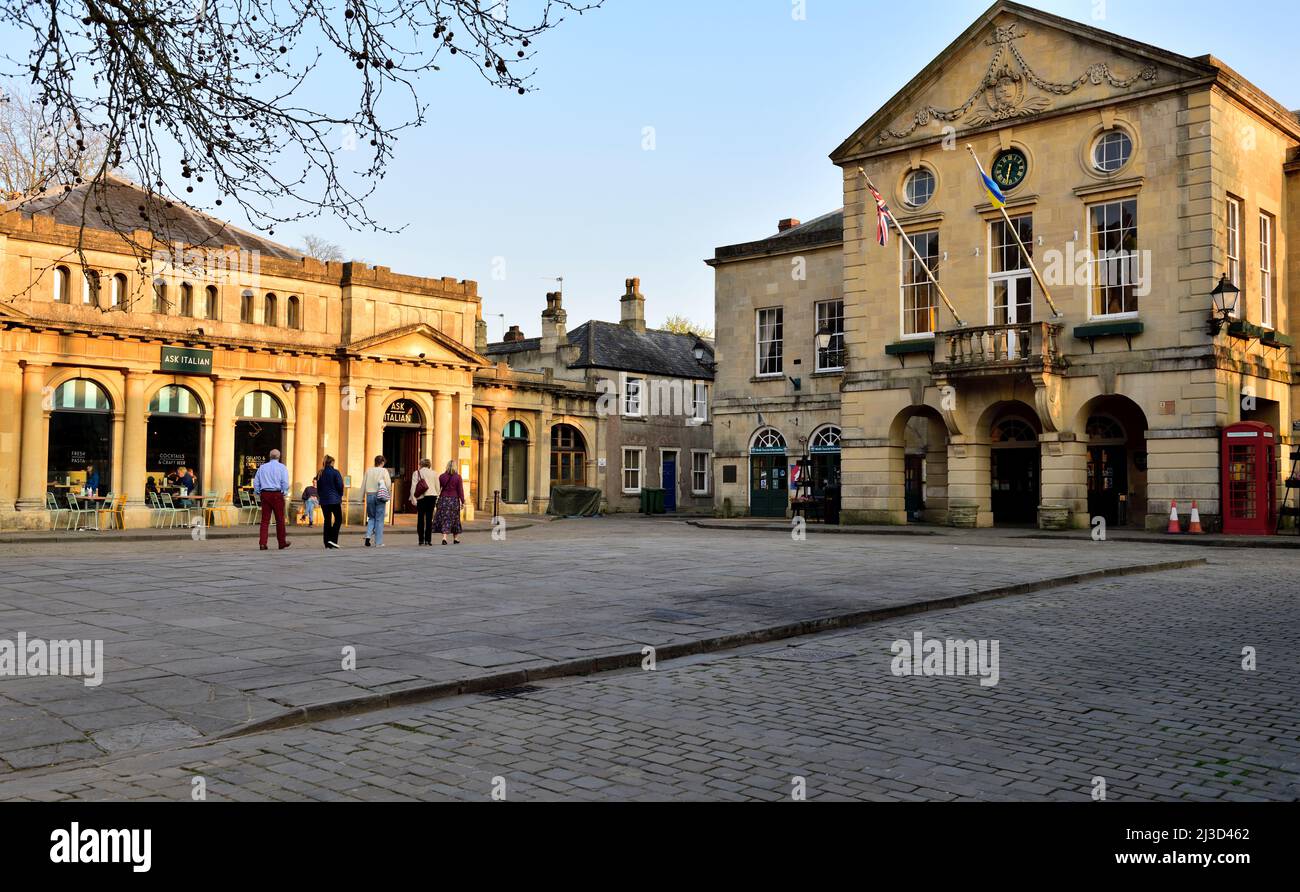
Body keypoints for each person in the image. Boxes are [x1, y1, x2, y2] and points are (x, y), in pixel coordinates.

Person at [252, 449, 291, 551]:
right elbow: (285, 482)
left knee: (265, 520)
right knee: (280, 520)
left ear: (269, 456)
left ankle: (263, 543)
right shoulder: (282, 467)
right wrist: (284, 491)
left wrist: (258, 492)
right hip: (277, 494)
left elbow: (256, 482)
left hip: (265, 493)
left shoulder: (262, 467)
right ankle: (281, 542)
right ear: (279, 456)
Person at [362, 454, 392, 548]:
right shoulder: (384, 471)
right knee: (379, 519)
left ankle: (368, 536)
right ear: (382, 462)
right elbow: (388, 484)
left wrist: (360, 497)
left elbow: (363, 483)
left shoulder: (368, 470)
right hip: (380, 495)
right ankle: (378, 542)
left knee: (371, 517)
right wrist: (389, 494)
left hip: (370, 495)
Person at [434, 459, 465, 546]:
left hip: (444, 500)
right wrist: (463, 501)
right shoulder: (458, 477)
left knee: (445, 518)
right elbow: (460, 491)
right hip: (454, 500)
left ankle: (444, 538)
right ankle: (455, 538)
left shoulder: (442, 476)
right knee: (455, 519)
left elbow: (438, 489)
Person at [317, 456, 345, 549]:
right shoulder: (335, 472)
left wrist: (321, 497)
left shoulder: (320, 473)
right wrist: (340, 495)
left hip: (324, 501)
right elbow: (340, 485)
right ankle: (333, 539)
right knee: (338, 519)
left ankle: (327, 542)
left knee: (327, 521)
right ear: (332, 462)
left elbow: (319, 488)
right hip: (335, 500)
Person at [410, 458, 439, 546]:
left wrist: (413, 499)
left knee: (420, 518)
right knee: (429, 519)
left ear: (420, 464)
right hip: (431, 497)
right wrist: (437, 495)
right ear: (429, 464)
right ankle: (428, 540)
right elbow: (437, 487)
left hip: (421, 497)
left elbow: (413, 487)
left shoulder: (416, 473)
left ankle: (421, 540)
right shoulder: (434, 473)